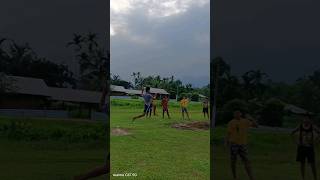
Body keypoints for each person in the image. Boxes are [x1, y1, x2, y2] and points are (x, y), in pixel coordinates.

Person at [225, 110, 258, 180]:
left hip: (242, 144)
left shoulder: (245, 121)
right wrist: (226, 142)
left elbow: (256, 125)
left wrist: (251, 118)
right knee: (233, 161)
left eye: (238, 113)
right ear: (234, 115)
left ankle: (251, 177)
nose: (237, 115)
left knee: (246, 161)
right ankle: (234, 177)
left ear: (241, 114)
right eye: (235, 113)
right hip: (234, 144)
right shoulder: (231, 122)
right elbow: (228, 133)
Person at [291, 114, 320, 180]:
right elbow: (292, 133)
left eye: (307, 119)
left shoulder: (312, 126)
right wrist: (296, 142)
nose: (306, 120)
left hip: (309, 147)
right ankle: (303, 178)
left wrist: (315, 141)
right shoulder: (300, 126)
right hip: (302, 147)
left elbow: (319, 133)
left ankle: (315, 178)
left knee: (312, 164)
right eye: (305, 119)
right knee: (302, 163)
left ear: (310, 120)